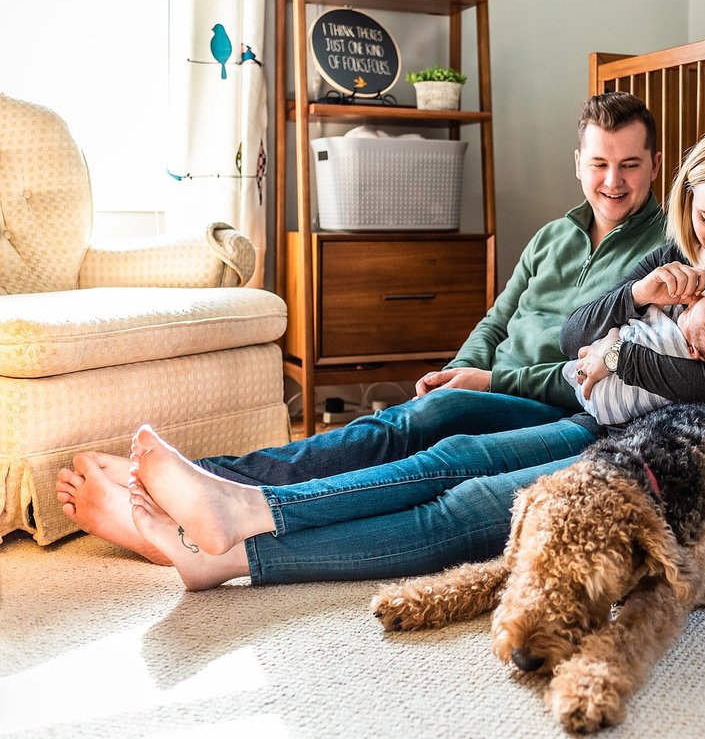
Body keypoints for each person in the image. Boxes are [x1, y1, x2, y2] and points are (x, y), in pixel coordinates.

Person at [119, 124, 705, 591]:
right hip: (607, 419)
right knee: (446, 451)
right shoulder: (676, 251)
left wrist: (623, 360)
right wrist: (637, 294)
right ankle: (240, 505)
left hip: (670, 449)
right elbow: (570, 336)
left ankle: (236, 543)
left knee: (466, 505)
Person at [55, 91, 667, 564]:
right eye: (600, 164)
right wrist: (461, 367)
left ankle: (195, 489)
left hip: (550, 407)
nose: (612, 181)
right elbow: (497, 317)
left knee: (414, 426)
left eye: (630, 166)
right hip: (489, 382)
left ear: (655, 165)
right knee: (386, 431)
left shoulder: (661, 254)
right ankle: (194, 483)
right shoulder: (553, 234)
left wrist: (488, 381)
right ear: (578, 163)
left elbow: (604, 372)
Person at [563, 292, 705, 425]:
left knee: (578, 363)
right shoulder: (698, 353)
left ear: (693, 350)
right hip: (610, 415)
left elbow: (642, 325)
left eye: (689, 312)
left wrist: (612, 337)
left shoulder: (672, 341)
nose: (688, 306)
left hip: (602, 395)